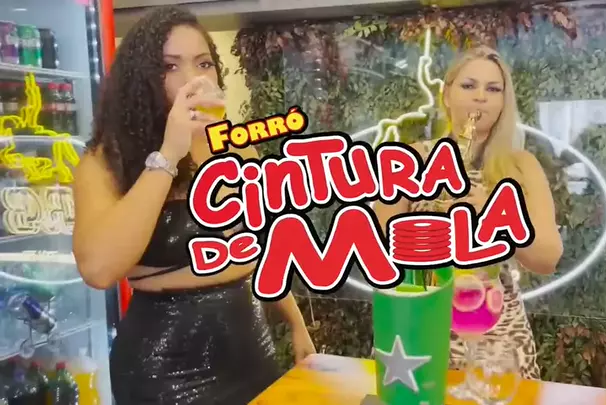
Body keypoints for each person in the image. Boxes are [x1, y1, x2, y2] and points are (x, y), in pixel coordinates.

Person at [71, 6, 315, 404]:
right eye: (170, 66)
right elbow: (98, 269)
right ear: (141, 79)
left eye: (204, 63)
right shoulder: (108, 162)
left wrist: (297, 323)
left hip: (251, 347)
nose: (193, 79)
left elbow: (262, 249)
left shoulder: (236, 147)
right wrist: (169, 153)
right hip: (165, 366)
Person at [374, 46, 563, 379]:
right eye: (468, 85)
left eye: (493, 89)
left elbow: (547, 259)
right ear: (447, 95)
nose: (480, 97)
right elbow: (378, 251)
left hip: (496, 338)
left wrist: (498, 219)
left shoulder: (522, 166)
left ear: (504, 102)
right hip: (418, 328)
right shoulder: (409, 159)